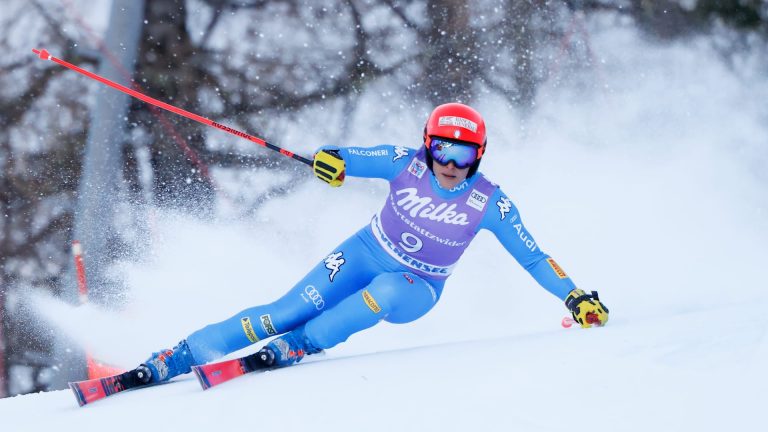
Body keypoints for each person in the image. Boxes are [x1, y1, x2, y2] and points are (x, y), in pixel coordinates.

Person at [134, 102, 609, 384]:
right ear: (427, 144)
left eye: (463, 153)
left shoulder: (490, 202)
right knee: (281, 311)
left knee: (379, 294)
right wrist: (330, 163)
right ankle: (179, 355)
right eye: (441, 148)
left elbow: (533, 255)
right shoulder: (406, 163)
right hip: (363, 251)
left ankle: (302, 345)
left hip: (416, 286)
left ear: (479, 156)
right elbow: (345, 155)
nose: (450, 163)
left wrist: (574, 295)